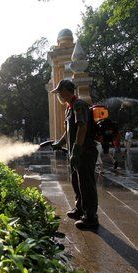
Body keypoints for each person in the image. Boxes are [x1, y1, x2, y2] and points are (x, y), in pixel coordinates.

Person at [51, 79, 99, 229]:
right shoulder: (69, 108)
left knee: (86, 184)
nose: (58, 94)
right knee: (76, 182)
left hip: (84, 152)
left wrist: (77, 150)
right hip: (75, 153)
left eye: (59, 91)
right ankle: (80, 209)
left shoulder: (79, 105)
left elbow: (82, 128)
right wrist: (60, 143)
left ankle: (90, 217)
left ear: (66, 90)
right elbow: (68, 131)